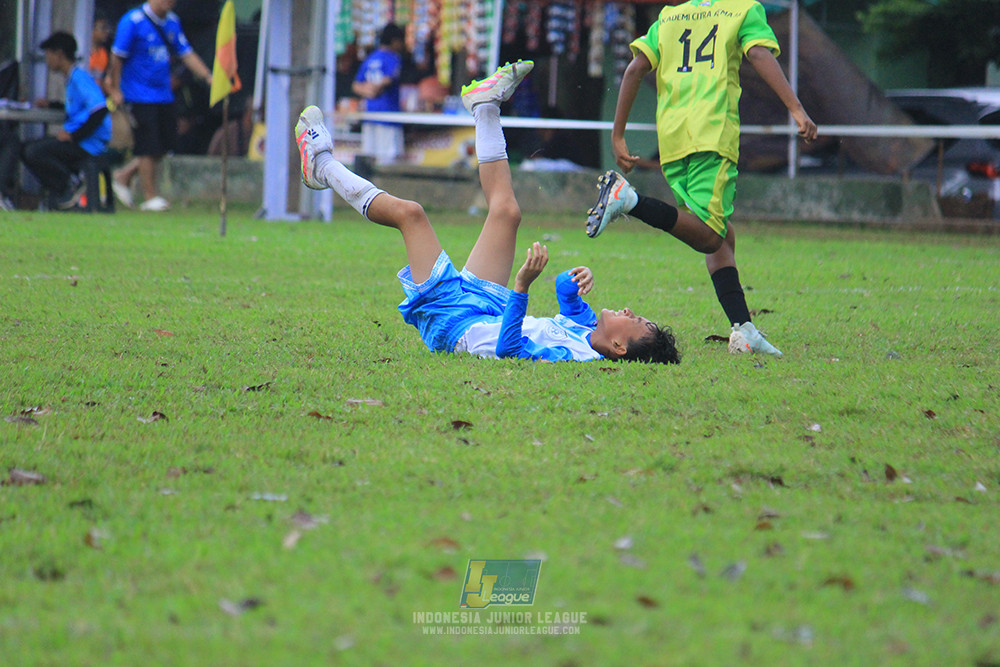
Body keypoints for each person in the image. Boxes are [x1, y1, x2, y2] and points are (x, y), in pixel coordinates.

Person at [296, 61, 679, 365]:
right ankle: (484, 106)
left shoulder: (574, 356)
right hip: (489, 308)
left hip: (456, 324)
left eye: (636, 321)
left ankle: (322, 166)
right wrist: (577, 277)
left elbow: (508, 350)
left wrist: (523, 286)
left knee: (411, 215)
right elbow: (566, 292)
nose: (631, 311)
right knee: (508, 212)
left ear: (618, 346)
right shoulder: (586, 328)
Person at [586, 0, 818, 358]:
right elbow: (758, 54)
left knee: (720, 232)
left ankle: (744, 330)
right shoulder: (742, 9)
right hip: (712, 135)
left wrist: (618, 135)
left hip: (674, 140)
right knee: (709, 237)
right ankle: (629, 201)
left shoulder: (669, 16)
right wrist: (796, 108)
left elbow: (634, 69)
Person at [107, 0, 213, 211]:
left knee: (165, 145)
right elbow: (117, 57)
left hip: (164, 94)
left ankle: (123, 175)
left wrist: (208, 76)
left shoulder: (172, 22)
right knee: (148, 146)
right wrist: (114, 88)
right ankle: (150, 196)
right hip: (139, 94)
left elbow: (186, 53)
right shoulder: (133, 21)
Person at [8, 32, 111, 210]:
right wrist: (53, 105)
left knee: (34, 152)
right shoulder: (71, 79)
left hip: (89, 144)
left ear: (59, 54)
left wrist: (74, 136)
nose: (47, 60)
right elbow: (79, 109)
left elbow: (99, 110)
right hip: (82, 140)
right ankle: (63, 193)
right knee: (25, 149)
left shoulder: (80, 77)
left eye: (48, 54)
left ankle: (70, 184)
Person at [352, 23, 406, 165]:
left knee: (369, 160)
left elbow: (356, 85)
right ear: (395, 41)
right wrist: (374, 89)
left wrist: (367, 90)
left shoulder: (370, 59)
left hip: (370, 115)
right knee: (388, 161)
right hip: (388, 117)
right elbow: (388, 79)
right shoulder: (393, 58)